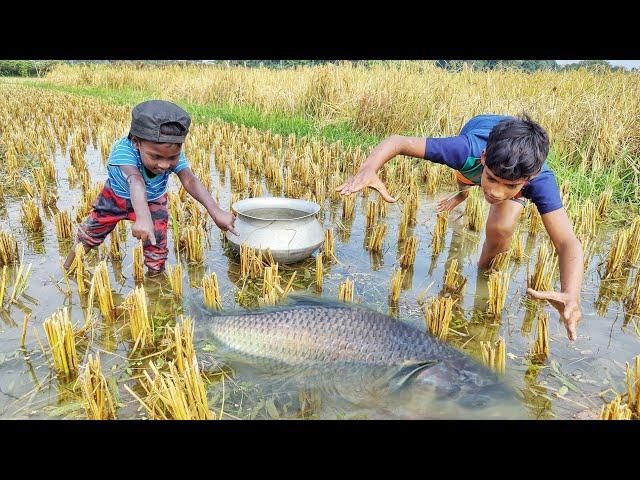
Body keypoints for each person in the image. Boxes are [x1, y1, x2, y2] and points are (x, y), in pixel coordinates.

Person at [336, 113, 583, 340]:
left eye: (510, 186)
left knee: (501, 229)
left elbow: (567, 242)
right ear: (484, 159)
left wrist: (571, 292)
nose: (495, 192)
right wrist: (368, 169)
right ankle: (464, 192)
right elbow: (397, 141)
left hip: (500, 166)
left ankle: (485, 274)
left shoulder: (540, 181)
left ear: (529, 180)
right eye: (492, 179)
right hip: (474, 137)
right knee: (466, 173)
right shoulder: (465, 150)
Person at [64, 99, 239, 276]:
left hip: (153, 200)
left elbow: (190, 180)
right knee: (89, 235)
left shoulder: (170, 152)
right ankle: (67, 270)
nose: (164, 165)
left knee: (157, 247)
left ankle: (156, 285)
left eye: (172, 158)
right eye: (155, 157)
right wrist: (142, 217)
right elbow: (136, 181)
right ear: (135, 142)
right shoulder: (124, 151)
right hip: (115, 199)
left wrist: (216, 211)